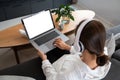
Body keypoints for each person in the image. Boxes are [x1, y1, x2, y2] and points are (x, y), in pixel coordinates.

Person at [37, 19, 111, 80]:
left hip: (54, 70)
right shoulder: (103, 53)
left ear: (79, 45)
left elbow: (52, 78)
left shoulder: (69, 74)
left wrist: (44, 61)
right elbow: (83, 53)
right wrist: (67, 47)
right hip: (66, 61)